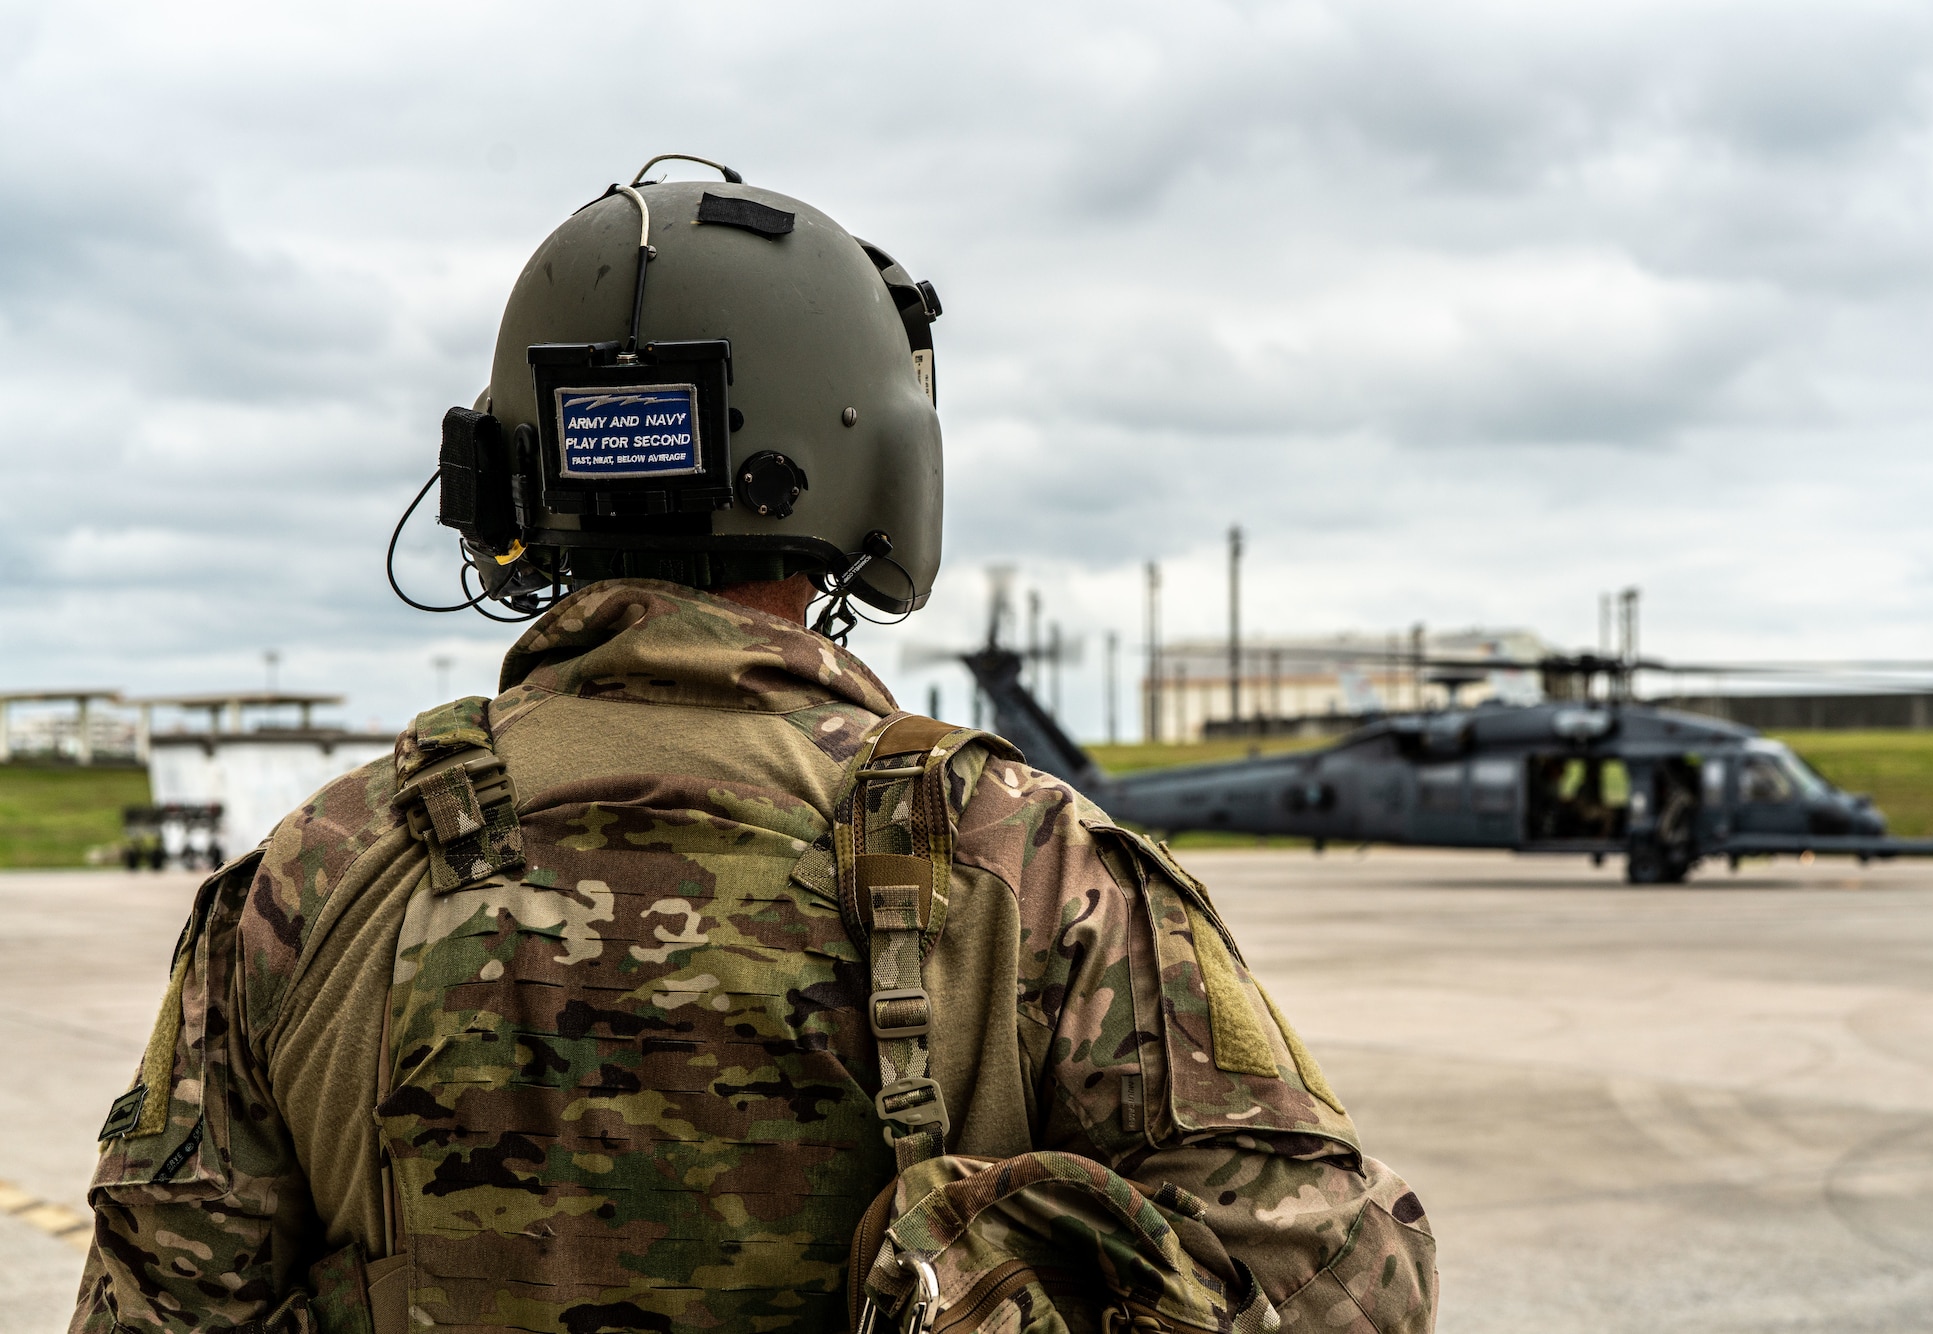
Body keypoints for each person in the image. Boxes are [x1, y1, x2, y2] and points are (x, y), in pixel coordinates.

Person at [72, 157, 1437, 1334]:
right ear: (877, 471)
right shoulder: (1028, 868)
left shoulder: (310, 890)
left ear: (509, 481)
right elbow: (1341, 1283)